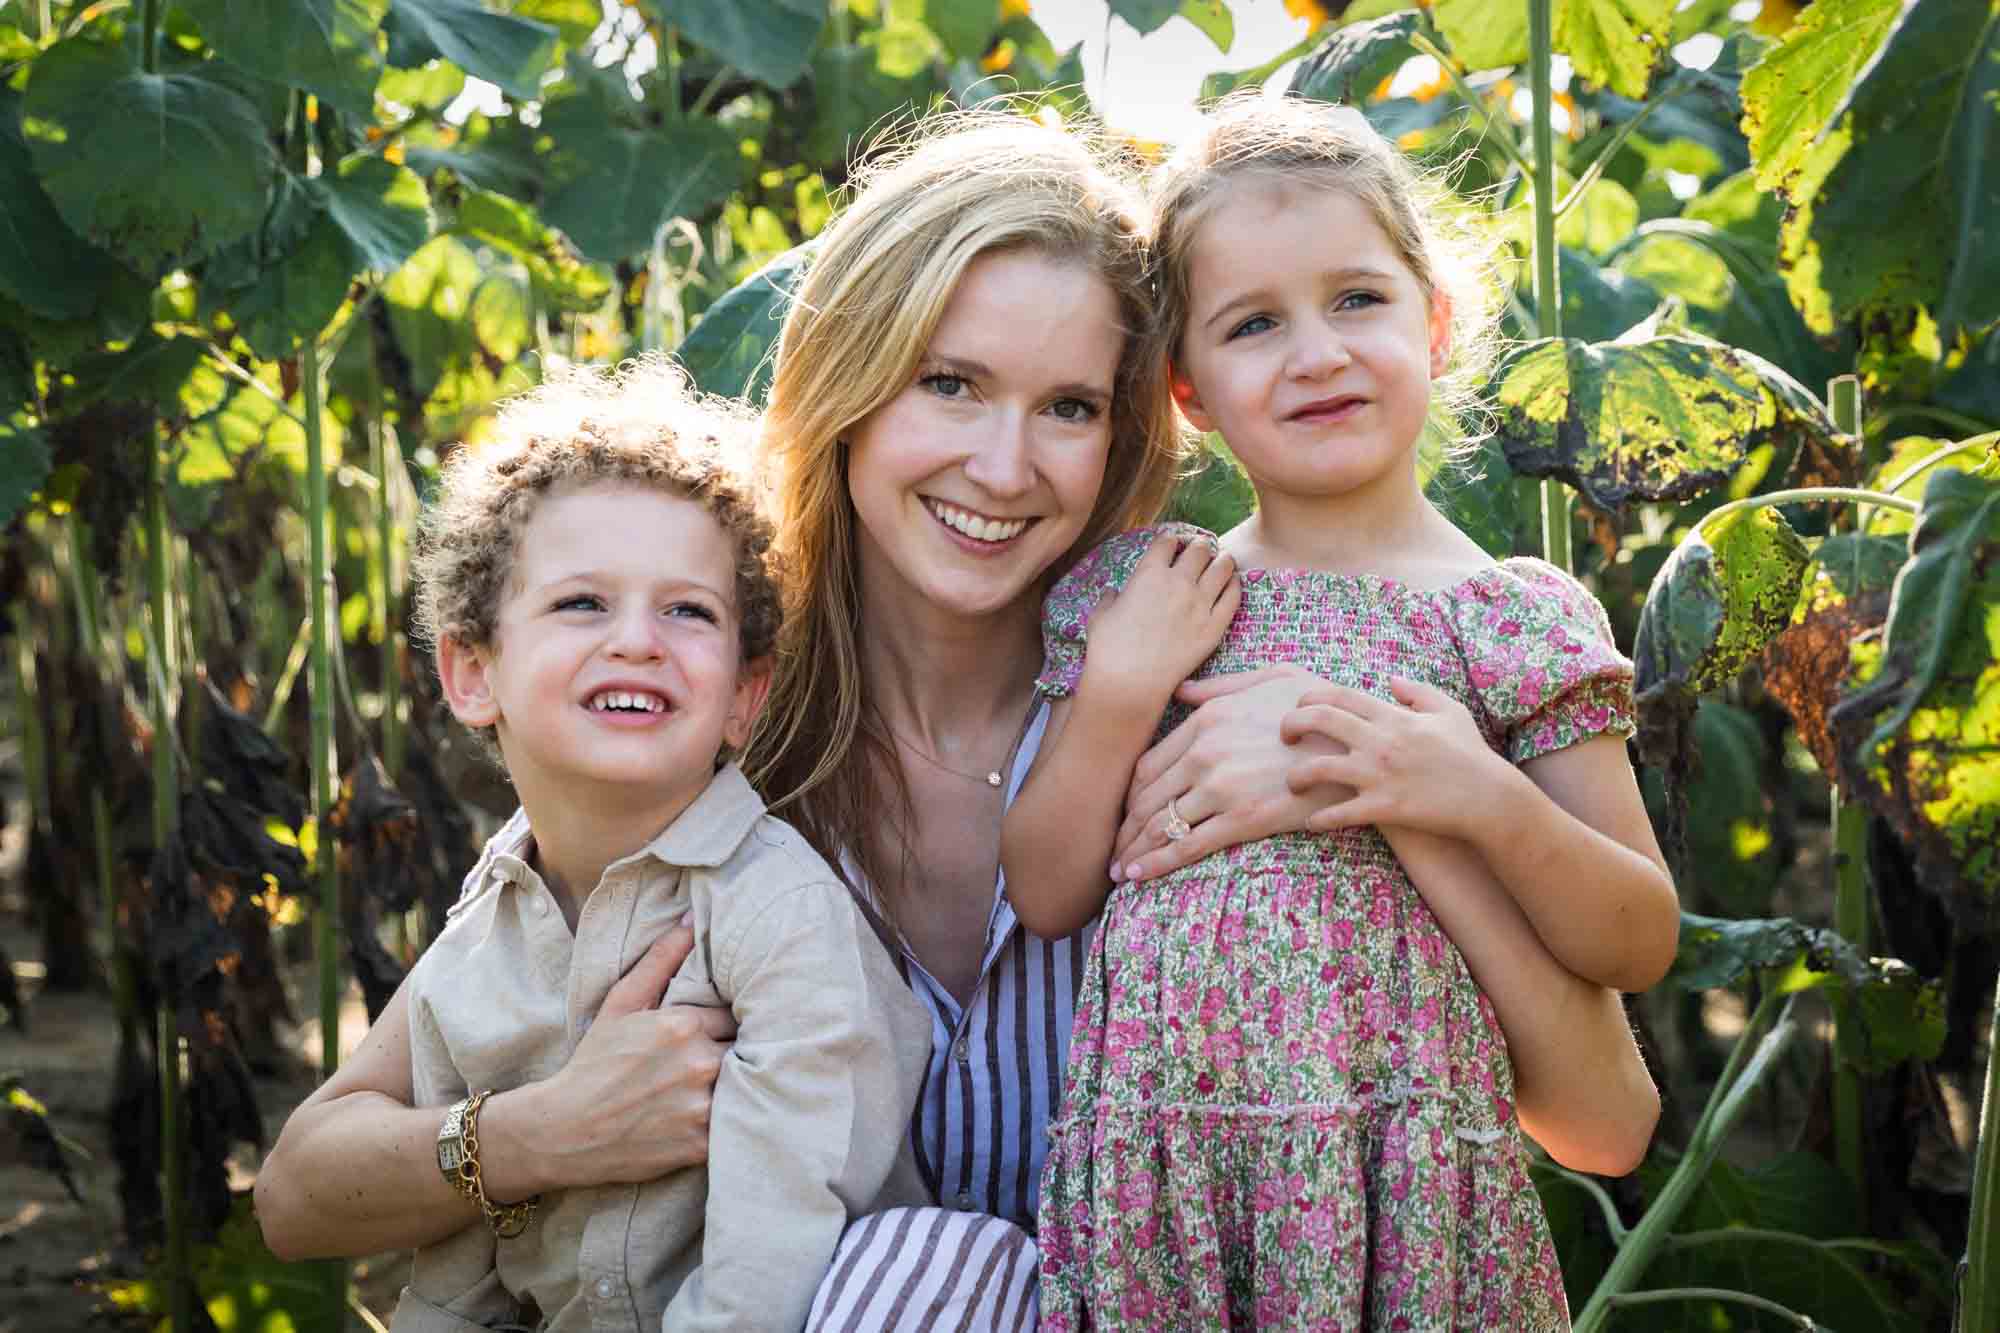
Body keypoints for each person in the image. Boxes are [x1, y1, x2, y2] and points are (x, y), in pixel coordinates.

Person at [255, 108, 1661, 1332]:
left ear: (1132, 426)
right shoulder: (721, 723)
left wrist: (1419, 794)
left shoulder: (1212, 684)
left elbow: (1605, 1118)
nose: (1004, 464)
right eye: (949, 384)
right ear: (849, 391)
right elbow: (307, 1186)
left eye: (1066, 406)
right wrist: (535, 1135)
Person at [1003, 96, 1680, 1329]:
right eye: (1251, 324)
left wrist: (1460, 788)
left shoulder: (1505, 617)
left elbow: (1635, 936)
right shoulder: (1149, 591)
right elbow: (1047, 890)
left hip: (1403, 1175)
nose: (1313, 352)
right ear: (1189, 389)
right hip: (1166, 1174)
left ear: (1433, 320)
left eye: (1355, 299)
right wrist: (1113, 694)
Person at [281, 360, 936, 1330]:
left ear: (743, 698)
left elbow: (770, 1260)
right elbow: (453, 1267)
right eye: (582, 602)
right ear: (471, 672)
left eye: (688, 610)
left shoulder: (774, 912)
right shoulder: (483, 929)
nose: (637, 639)